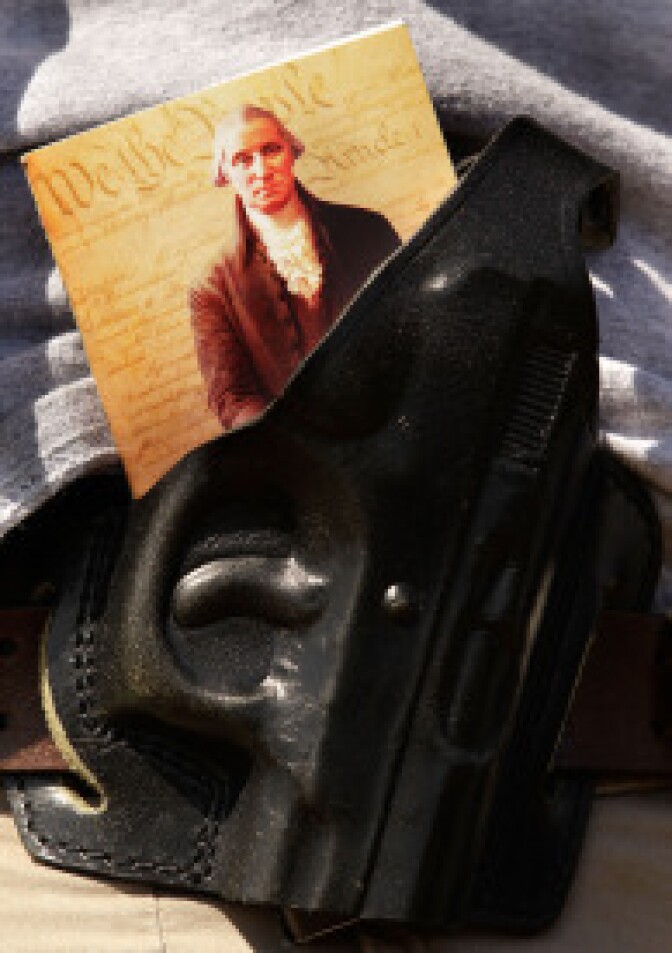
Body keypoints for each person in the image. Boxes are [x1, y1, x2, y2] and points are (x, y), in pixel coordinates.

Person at [189, 105, 401, 430]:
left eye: (271, 150)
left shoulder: (369, 229)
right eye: (243, 160)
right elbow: (233, 400)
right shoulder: (212, 286)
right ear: (224, 173)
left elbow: (414, 325)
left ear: (292, 153)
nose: (261, 171)